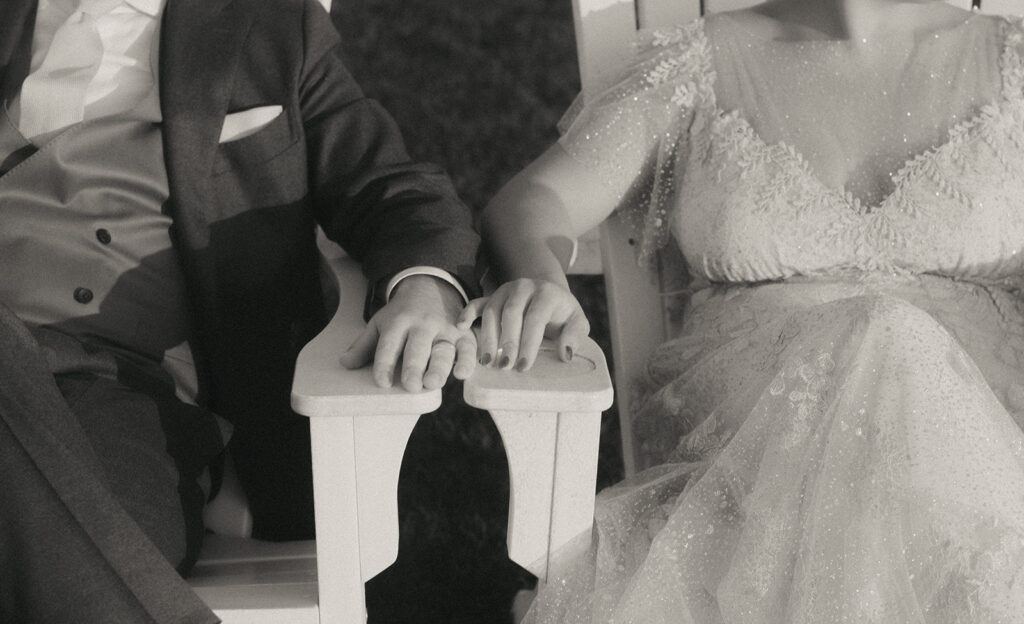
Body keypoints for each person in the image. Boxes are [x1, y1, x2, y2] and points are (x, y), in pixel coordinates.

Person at [461, 0, 1024, 621]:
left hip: (986, 440)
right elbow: (535, 200)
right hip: (755, 444)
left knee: (895, 345)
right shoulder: (697, 68)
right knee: (879, 336)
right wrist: (541, 280)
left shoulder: (1014, 63)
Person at [0, 0, 479, 621]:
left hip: (122, 392)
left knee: (94, 530)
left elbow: (390, 187)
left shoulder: (270, 26)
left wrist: (424, 290)